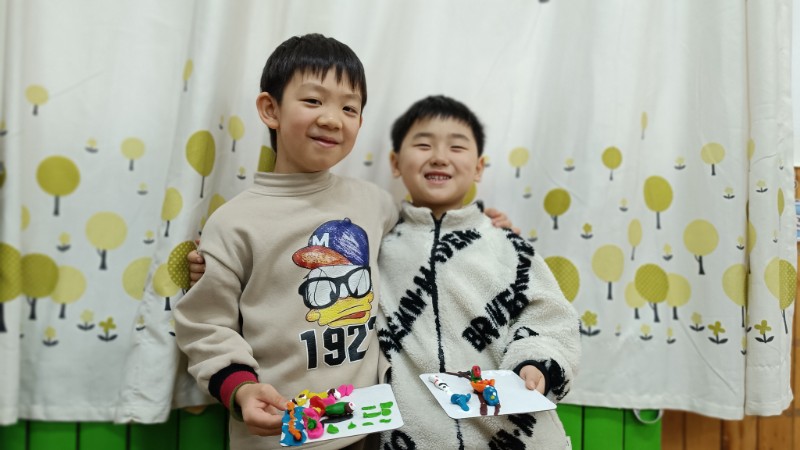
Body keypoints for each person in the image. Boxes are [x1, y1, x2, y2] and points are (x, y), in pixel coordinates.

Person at [175, 35, 514, 450]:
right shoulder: (234, 223)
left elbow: (424, 238)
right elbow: (206, 326)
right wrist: (241, 389)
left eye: (349, 108)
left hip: (368, 428)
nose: (333, 119)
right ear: (270, 109)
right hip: (280, 430)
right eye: (313, 101)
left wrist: (482, 228)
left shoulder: (375, 203)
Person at [376, 95, 580, 449]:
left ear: (479, 168)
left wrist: (536, 363)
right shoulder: (375, 245)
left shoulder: (508, 246)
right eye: (423, 145)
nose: (439, 157)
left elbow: (550, 318)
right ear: (395, 162)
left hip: (514, 433)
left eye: (456, 146)